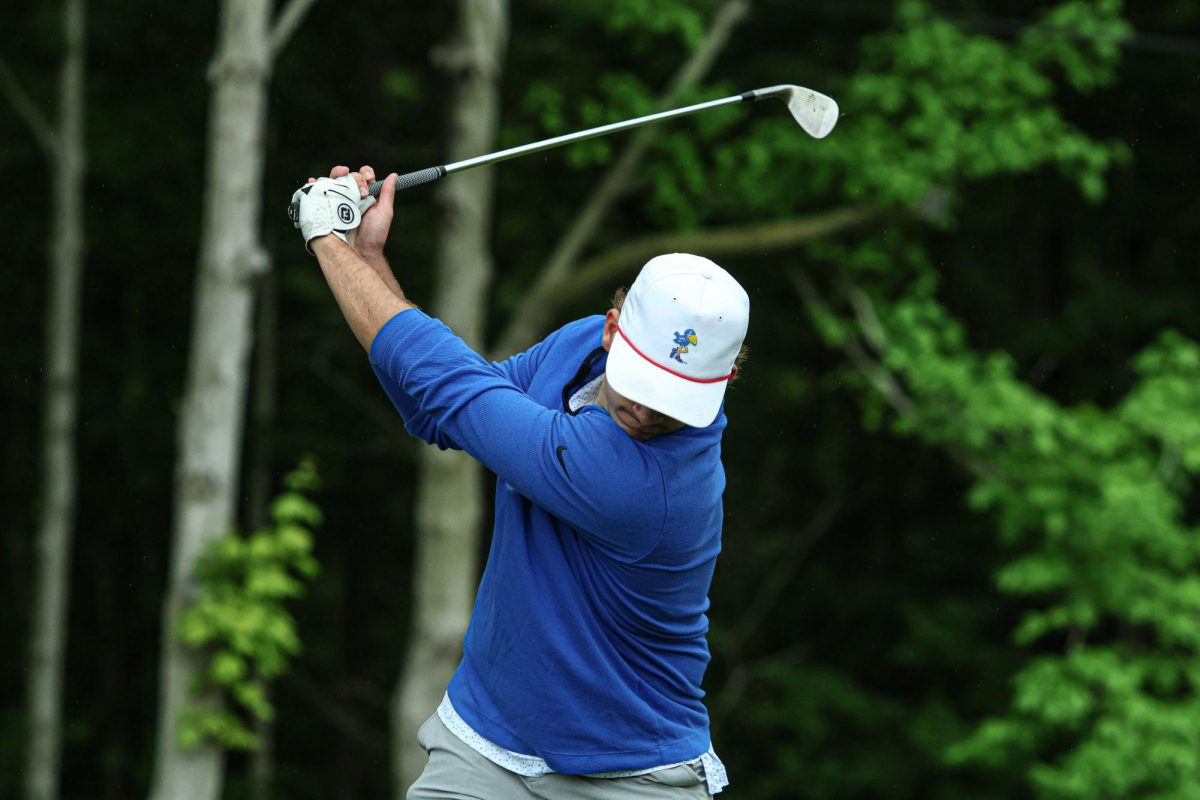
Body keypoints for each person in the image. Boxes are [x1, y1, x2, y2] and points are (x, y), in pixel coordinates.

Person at [290, 165, 750, 798]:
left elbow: (455, 393)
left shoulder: (655, 489)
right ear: (612, 329)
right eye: (642, 383)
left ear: (723, 382)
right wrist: (367, 260)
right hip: (484, 745)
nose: (646, 412)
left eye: (673, 399)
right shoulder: (579, 348)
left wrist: (327, 241)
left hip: (636, 775)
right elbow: (439, 412)